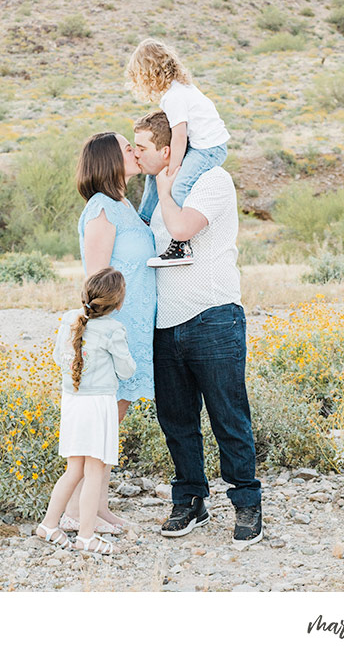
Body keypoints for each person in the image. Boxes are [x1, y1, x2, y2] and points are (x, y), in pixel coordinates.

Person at [132, 109, 262, 547]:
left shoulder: (212, 181)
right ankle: (190, 499)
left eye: (143, 147)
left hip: (213, 314)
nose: (136, 153)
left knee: (228, 417)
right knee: (177, 420)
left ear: (168, 151)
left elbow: (184, 227)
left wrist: (167, 189)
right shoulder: (152, 193)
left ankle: (246, 503)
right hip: (164, 321)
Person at [62, 131, 157, 534]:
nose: (134, 152)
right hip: (114, 333)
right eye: (126, 147)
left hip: (134, 330)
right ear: (108, 160)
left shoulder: (125, 206)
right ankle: (75, 513)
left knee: (112, 423)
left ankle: (96, 507)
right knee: (103, 424)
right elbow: (97, 280)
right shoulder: (102, 208)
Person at [36, 268, 136, 556]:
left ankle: (49, 524)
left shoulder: (70, 319)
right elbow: (126, 371)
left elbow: (59, 358)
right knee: (94, 472)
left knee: (74, 469)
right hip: (97, 406)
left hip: (72, 401)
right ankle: (86, 536)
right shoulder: (114, 329)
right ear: (118, 303)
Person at [124, 37, 231, 267]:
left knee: (179, 184)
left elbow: (180, 135)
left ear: (148, 75)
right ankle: (143, 221)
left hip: (209, 149)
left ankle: (181, 246)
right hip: (201, 143)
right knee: (158, 174)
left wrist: (173, 170)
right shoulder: (179, 89)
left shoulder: (174, 97)